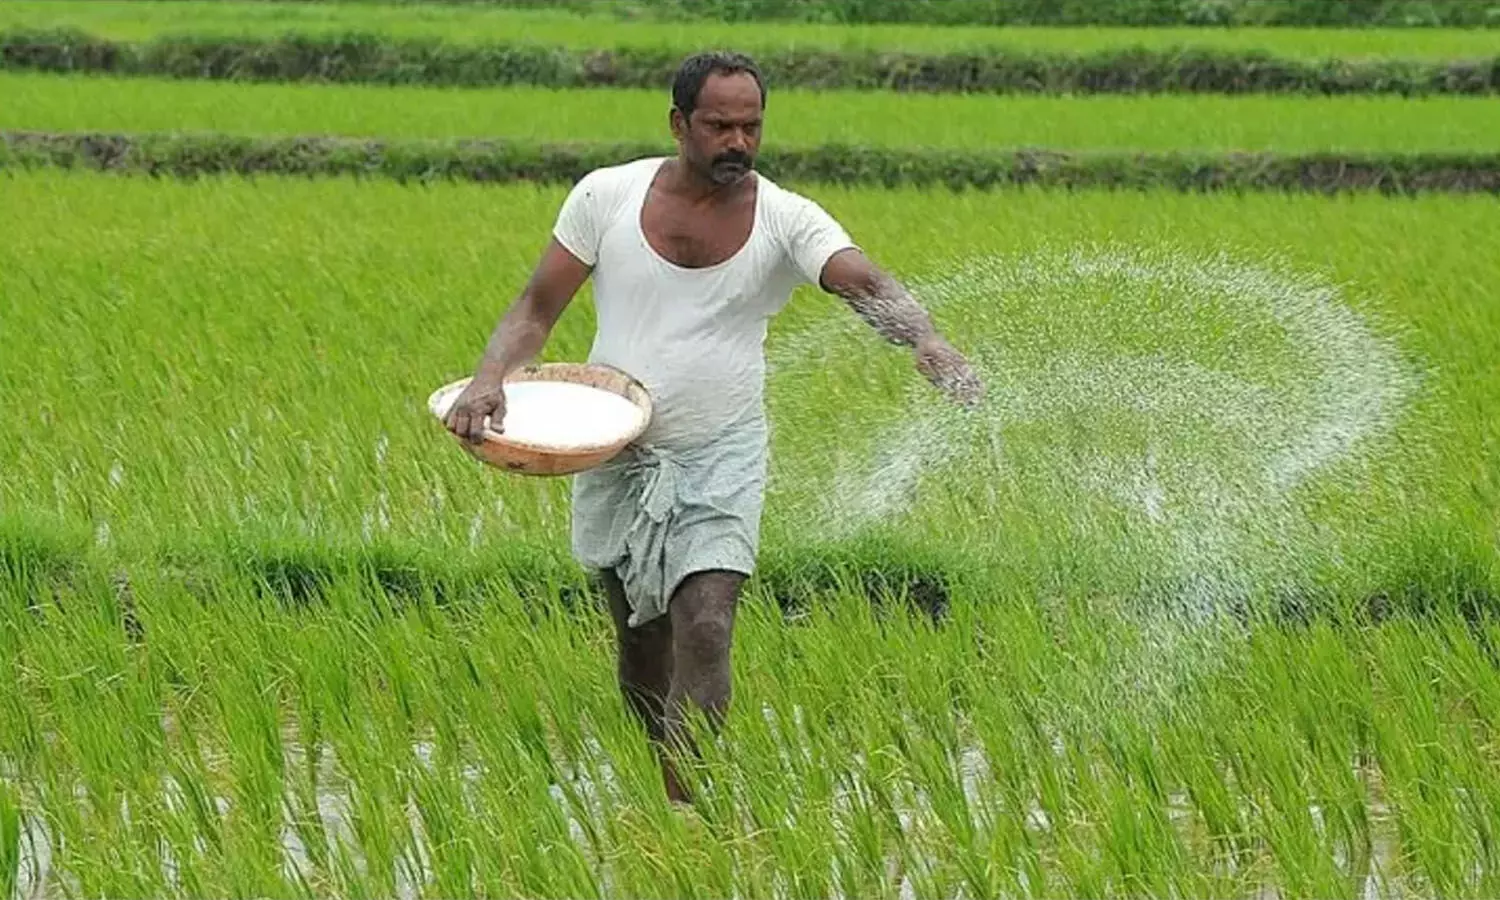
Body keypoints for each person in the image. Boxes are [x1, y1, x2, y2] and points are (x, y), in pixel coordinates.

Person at [443, 50, 982, 804]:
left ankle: (687, 802)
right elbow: (537, 308)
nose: (738, 141)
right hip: (615, 449)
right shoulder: (607, 197)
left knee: (706, 620)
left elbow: (864, 280)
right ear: (679, 124)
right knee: (640, 642)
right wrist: (489, 378)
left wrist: (923, 337)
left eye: (751, 127)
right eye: (720, 125)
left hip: (720, 449)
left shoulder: (787, 219)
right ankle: (660, 775)